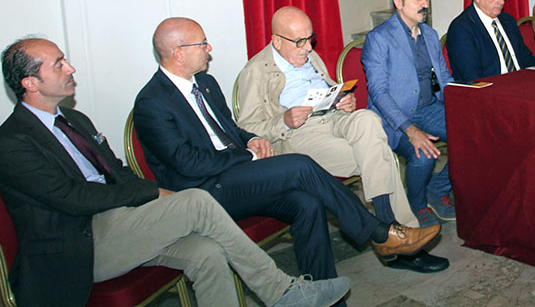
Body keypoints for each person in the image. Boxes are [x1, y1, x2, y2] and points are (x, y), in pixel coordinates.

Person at [0, 37, 350, 307]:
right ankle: (281, 292)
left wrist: (149, 202)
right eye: (59, 64)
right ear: (31, 83)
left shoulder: (75, 120)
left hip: (122, 222)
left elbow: (118, 172)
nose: (71, 68)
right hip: (77, 247)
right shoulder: (12, 141)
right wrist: (152, 193)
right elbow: (73, 198)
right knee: (197, 201)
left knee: (207, 253)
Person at [133, 18, 440, 289]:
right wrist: (249, 153)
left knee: (308, 204)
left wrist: (251, 140)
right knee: (301, 166)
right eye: (202, 43)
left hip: (238, 173)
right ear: (178, 53)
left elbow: (233, 130)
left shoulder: (205, 83)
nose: (209, 48)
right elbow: (189, 164)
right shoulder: (152, 102)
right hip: (204, 192)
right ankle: (379, 232)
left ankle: (324, 292)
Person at [236, 6, 449, 273]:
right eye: (299, 42)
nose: (307, 48)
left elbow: (327, 89)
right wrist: (284, 121)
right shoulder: (256, 71)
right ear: (276, 41)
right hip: (299, 134)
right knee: (379, 155)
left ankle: (390, 234)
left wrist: (343, 100)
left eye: (310, 39)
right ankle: (402, 241)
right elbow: (246, 128)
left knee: (367, 119)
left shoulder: (309, 56)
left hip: (333, 118)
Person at [362, 0, 455, 228]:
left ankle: (436, 188)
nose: (425, 4)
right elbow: (379, 93)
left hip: (429, 108)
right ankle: (417, 203)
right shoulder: (379, 39)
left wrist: (463, 107)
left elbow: (444, 79)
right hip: (395, 117)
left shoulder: (430, 35)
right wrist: (411, 130)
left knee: (474, 135)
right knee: (424, 155)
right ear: (398, 2)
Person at [445, 0, 535, 83]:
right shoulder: (461, 29)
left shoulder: (508, 21)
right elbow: (473, 77)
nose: (502, 2)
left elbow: (527, 59)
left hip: (522, 84)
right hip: (492, 89)